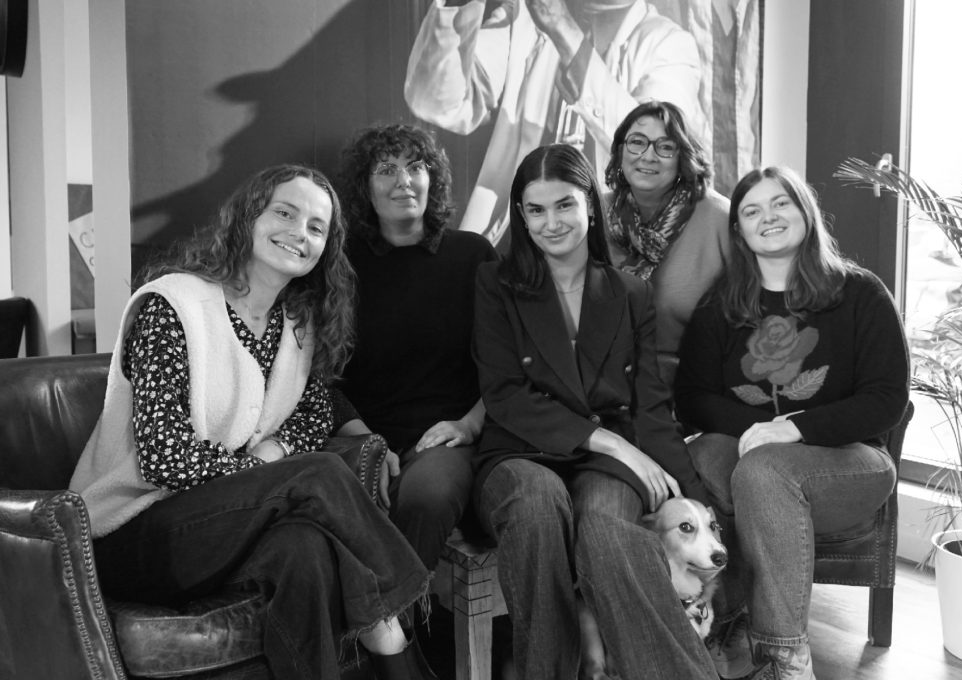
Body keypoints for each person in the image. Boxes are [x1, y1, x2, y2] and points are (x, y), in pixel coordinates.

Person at [69, 164, 434, 680]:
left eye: (316, 227)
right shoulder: (172, 306)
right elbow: (162, 456)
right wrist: (263, 475)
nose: (299, 232)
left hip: (220, 525)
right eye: (284, 213)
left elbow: (315, 412)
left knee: (304, 550)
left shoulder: (297, 325)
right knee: (320, 472)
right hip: (130, 533)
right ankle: (398, 627)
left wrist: (273, 455)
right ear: (248, 217)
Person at [472, 143, 717, 680]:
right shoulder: (495, 284)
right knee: (537, 505)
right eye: (536, 210)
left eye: (564, 204)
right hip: (519, 453)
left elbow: (651, 405)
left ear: (589, 203)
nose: (551, 222)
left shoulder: (631, 293)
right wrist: (613, 442)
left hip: (607, 465)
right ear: (521, 216)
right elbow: (505, 394)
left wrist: (693, 492)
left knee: (606, 528)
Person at [674, 166, 909, 680]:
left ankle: (784, 659)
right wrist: (760, 431)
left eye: (780, 203)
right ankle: (714, 620)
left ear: (805, 211)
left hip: (850, 461)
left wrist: (794, 427)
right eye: (752, 210)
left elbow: (887, 400)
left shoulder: (860, 294)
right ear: (739, 230)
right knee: (700, 458)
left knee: (763, 472)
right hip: (748, 457)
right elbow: (691, 399)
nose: (769, 217)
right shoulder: (720, 305)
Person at [332, 124, 496, 573]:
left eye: (416, 167)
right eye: (386, 169)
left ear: (432, 179)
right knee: (335, 500)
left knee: (427, 496)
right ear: (364, 187)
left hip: (446, 437)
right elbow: (320, 377)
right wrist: (366, 442)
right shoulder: (340, 265)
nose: (403, 180)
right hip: (361, 434)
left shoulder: (472, 255)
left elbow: (511, 362)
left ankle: (399, 614)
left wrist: (469, 425)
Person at [405, 0, 704, 245]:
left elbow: (651, 148)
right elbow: (434, 103)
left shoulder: (669, 44)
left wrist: (563, 30)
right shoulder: (525, 18)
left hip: (607, 253)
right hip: (516, 243)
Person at [604, 99, 730, 383]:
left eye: (665, 147)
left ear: (683, 157)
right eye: (637, 142)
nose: (648, 156)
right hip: (603, 384)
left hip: (695, 385)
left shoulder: (720, 219)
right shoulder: (593, 214)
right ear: (620, 150)